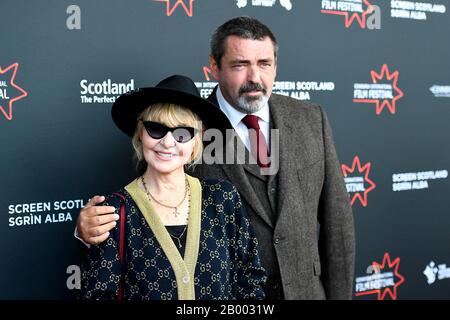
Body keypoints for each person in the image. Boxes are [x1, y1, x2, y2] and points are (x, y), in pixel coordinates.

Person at [77, 17, 355, 300]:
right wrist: (86, 229)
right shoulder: (184, 123)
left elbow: (337, 221)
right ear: (214, 66)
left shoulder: (310, 119)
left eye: (264, 64)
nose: (254, 78)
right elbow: (145, 205)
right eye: (240, 64)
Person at [80, 74, 266, 300]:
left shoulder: (222, 198)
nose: (168, 142)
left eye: (182, 133)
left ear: (196, 142)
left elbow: (250, 280)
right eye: (156, 128)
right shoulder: (115, 211)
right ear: (140, 133)